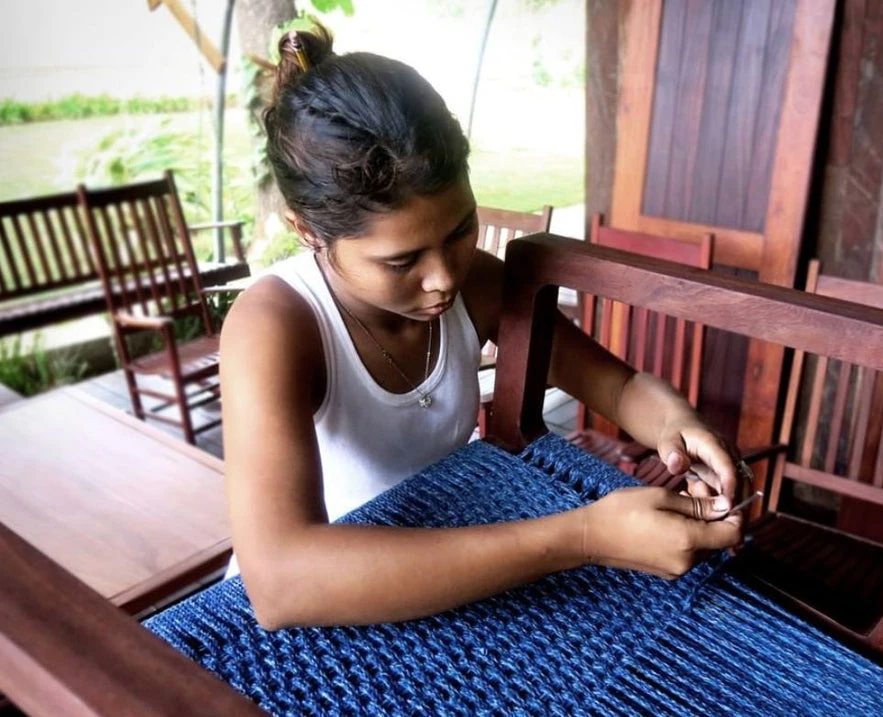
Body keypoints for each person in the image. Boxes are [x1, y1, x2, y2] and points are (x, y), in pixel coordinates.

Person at [220, 24, 747, 630]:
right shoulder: (275, 328)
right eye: (401, 262)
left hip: (449, 557)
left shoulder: (480, 285)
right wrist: (584, 536)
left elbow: (620, 387)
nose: (444, 278)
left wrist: (678, 426)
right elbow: (283, 584)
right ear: (305, 230)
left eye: (460, 231)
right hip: (326, 606)